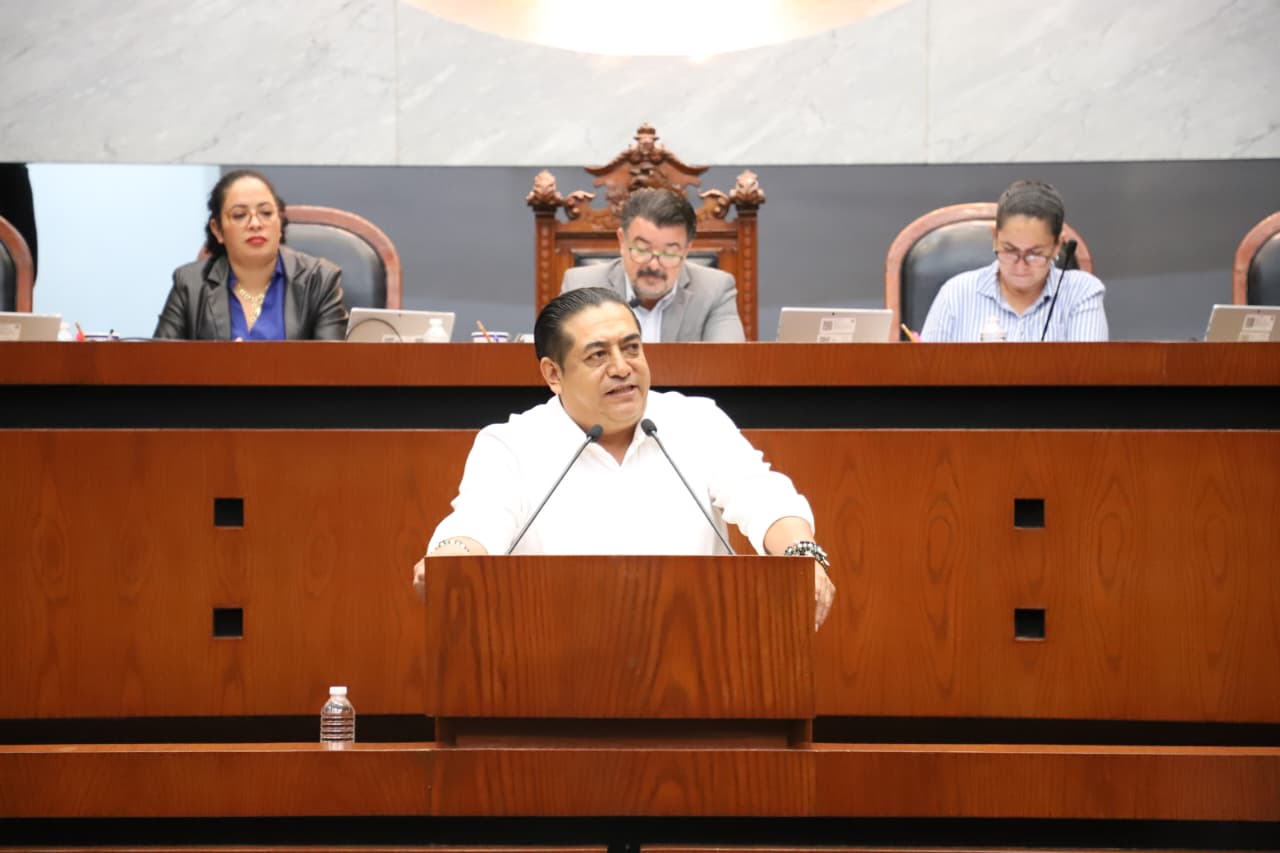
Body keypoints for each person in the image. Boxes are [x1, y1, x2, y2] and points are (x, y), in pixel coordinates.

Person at [413, 287, 834, 629]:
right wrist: (449, 559)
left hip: (695, 646)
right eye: (597, 355)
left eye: (631, 348)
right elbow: (478, 524)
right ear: (553, 374)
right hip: (551, 653)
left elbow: (763, 496)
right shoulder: (511, 443)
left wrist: (800, 554)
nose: (621, 368)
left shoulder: (695, 420)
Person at [153, 169, 349, 340]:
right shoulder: (190, 284)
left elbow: (332, 365)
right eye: (239, 215)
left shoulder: (319, 280)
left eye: (266, 213)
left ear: (280, 222)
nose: (255, 224)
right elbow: (160, 364)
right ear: (217, 229)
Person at [919, 180, 1108, 342]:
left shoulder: (1081, 293)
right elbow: (926, 369)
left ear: (1057, 246)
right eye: (1010, 251)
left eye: (1034, 254)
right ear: (995, 237)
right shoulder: (956, 294)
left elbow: (1088, 370)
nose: (1020, 266)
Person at [560, 188, 746, 342]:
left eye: (669, 252)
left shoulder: (714, 290)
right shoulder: (581, 287)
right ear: (622, 241)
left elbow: (728, 365)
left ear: (686, 250)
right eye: (642, 249)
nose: (654, 265)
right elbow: (563, 363)